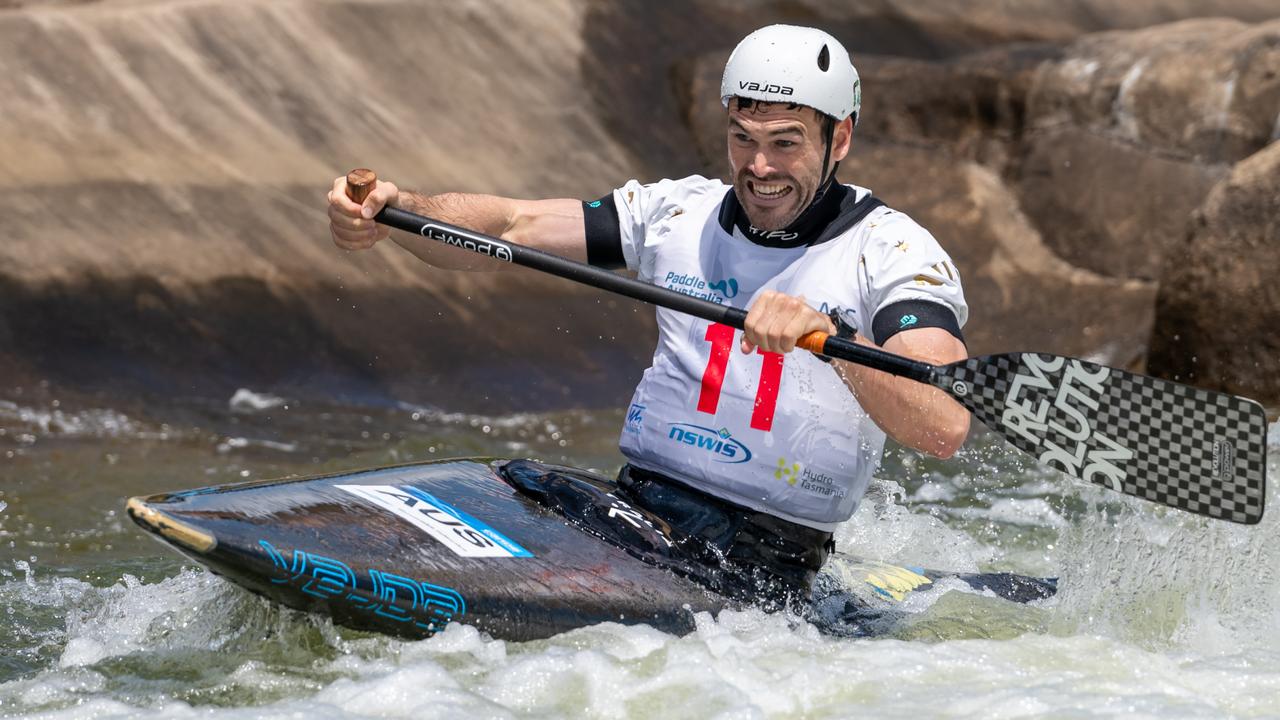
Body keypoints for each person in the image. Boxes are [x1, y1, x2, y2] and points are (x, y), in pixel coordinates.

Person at [326, 25, 970, 608]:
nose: (759, 167)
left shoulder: (892, 250)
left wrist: (830, 338)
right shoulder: (676, 212)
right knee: (514, 477)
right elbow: (511, 224)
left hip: (763, 561)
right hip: (635, 512)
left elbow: (944, 422)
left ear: (842, 137)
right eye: (742, 139)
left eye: (786, 144)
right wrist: (395, 212)